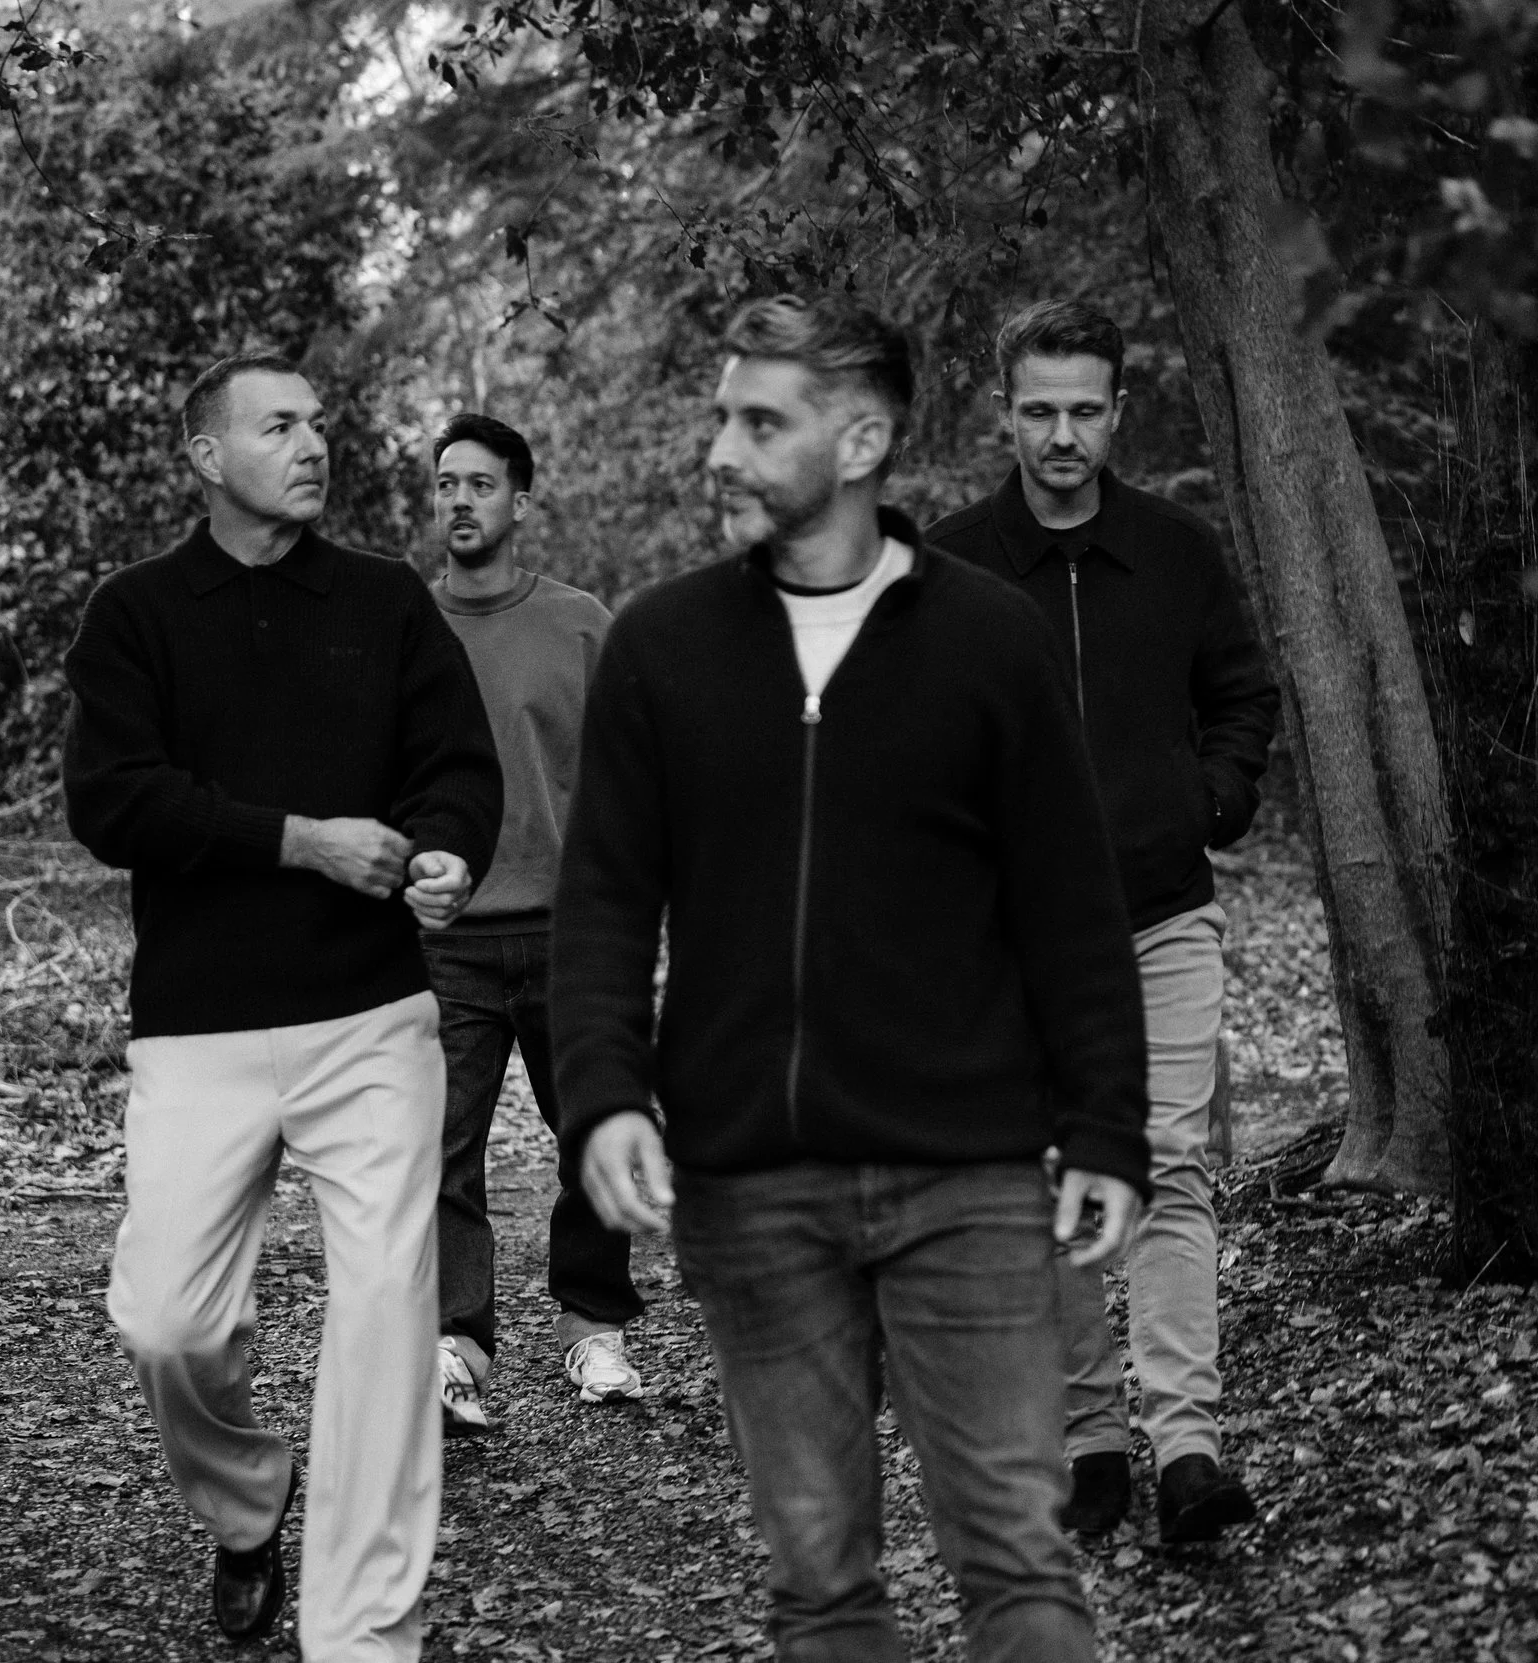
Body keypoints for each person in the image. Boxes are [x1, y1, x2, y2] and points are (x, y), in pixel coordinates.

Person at [551, 293, 1156, 1663]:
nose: (722, 448)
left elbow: (1071, 906)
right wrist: (604, 1097)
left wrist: (1108, 1122)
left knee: (1018, 1557)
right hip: (752, 1183)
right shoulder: (663, 646)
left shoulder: (988, 640)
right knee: (820, 1579)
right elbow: (601, 903)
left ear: (864, 436)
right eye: (722, 416)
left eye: (761, 421)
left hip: (971, 1176)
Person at [63, 352, 502, 1658]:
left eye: (318, 422)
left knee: (382, 1318)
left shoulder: (385, 600)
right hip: (197, 1026)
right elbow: (113, 800)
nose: (314, 443)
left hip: (370, 1016)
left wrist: (443, 852)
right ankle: (247, 1501)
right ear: (208, 455)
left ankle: (363, 1634)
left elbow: (458, 770)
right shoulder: (136, 612)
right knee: (167, 1321)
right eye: (280, 424)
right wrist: (300, 839)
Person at [926, 299, 1281, 1544]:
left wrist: (1212, 793)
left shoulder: (1175, 552)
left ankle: (1187, 1447)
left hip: (1162, 917)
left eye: (1084, 409)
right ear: (1004, 410)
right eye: (1040, 410)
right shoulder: (954, 562)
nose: (1062, 434)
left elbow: (1242, 693)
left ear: (1118, 411)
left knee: (1170, 1166)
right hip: (1014, 940)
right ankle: (1092, 1442)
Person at [420, 412, 645, 1436]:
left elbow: (634, 777)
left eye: (478, 484)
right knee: (439, 1146)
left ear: (520, 502)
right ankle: (455, 1346)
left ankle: (594, 1328)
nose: (458, 501)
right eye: (444, 484)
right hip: (445, 939)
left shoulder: (583, 624)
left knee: (594, 1129)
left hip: (572, 932)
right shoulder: (408, 629)